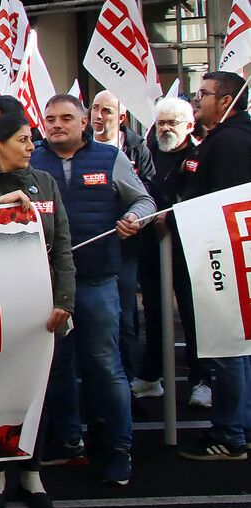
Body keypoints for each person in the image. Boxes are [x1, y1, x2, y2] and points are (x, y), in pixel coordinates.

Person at [30, 94, 154, 485]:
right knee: (57, 367)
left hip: (97, 278)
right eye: (49, 119)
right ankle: (68, 440)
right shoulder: (30, 160)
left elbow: (145, 200)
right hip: (46, 285)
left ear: (85, 122)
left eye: (66, 118)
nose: (56, 125)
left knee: (105, 365)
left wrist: (134, 217)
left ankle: (118, 446)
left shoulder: (110, 158)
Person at [0, 113, 76, 508]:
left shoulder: (45, 183)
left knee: (38, 390)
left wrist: (65, 301)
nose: (31, 147)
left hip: (41, 304)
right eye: (23, 140)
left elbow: (62, 248)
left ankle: (31, 471)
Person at [179, 72, 251, 461]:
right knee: (239, 348)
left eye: (203, 94)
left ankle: (229, 434)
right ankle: (241, 426)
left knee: (229, 348)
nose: (196, 99)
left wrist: (174, 219)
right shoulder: (224, 139)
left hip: (223, 260)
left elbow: (220, 206)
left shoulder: (230, 143)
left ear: (225, 101)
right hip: (229, 261)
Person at [135, 96, 207, 406]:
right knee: (154, 313)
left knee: (194, 315)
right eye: (161, 122)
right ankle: (152, 376)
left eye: (172, 123)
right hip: (152, 247)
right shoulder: (147, 154)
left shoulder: (200, 155)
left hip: (189, 249)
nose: (165, 129)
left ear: (189, 125)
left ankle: (201, 379)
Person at [91, 91, 156, 385]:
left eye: (106, 110)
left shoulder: (135, 149)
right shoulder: (80, 151)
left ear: (121, 117)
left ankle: (127, 383)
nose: (98, 116)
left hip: (125, 249)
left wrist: (135, 217)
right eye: (94, 109)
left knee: (124, 318)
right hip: (87, 252)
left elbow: (149, 195)